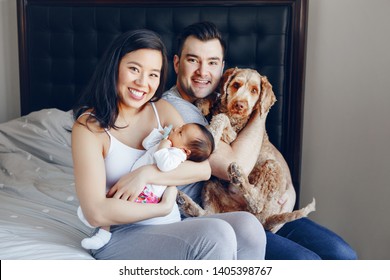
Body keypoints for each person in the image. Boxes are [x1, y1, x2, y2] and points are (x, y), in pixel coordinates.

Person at [163, 21, 358, 260]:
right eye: (193, 60)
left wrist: (289, 189)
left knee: (343, 255)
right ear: (176, 63)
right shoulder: (175, 110)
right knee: (307, 262)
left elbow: (266, 149)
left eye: (212, 62)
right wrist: (261, 109)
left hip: (256, 207)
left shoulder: (222, 97)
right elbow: (236, 168)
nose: (203, 72)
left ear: (223, 68)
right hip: (216, 215)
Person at [72, 29, 266, 260]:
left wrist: (145, 175)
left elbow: (203, 169)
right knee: (216, 233)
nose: (143, 83)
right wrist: (161, 208)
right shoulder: (89, 128)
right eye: (134, 69)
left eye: (153, 74)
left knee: (248, 226)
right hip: (118, 231)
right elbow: (95, 213)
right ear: (114, 67)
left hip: (167, 222)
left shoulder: (160, 110)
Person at [77, 122, 215, 250]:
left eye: (180, 132)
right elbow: (146, 143)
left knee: (116, 203)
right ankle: (102, 232)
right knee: (112, 202)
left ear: (186, 151)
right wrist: (160, 136)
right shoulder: (168, 145)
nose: (176, 129)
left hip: (147, 193)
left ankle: (102, 232)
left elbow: (164, 165)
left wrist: (163, 147)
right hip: (139, 188)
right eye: (180, 128)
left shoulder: (177, 155)